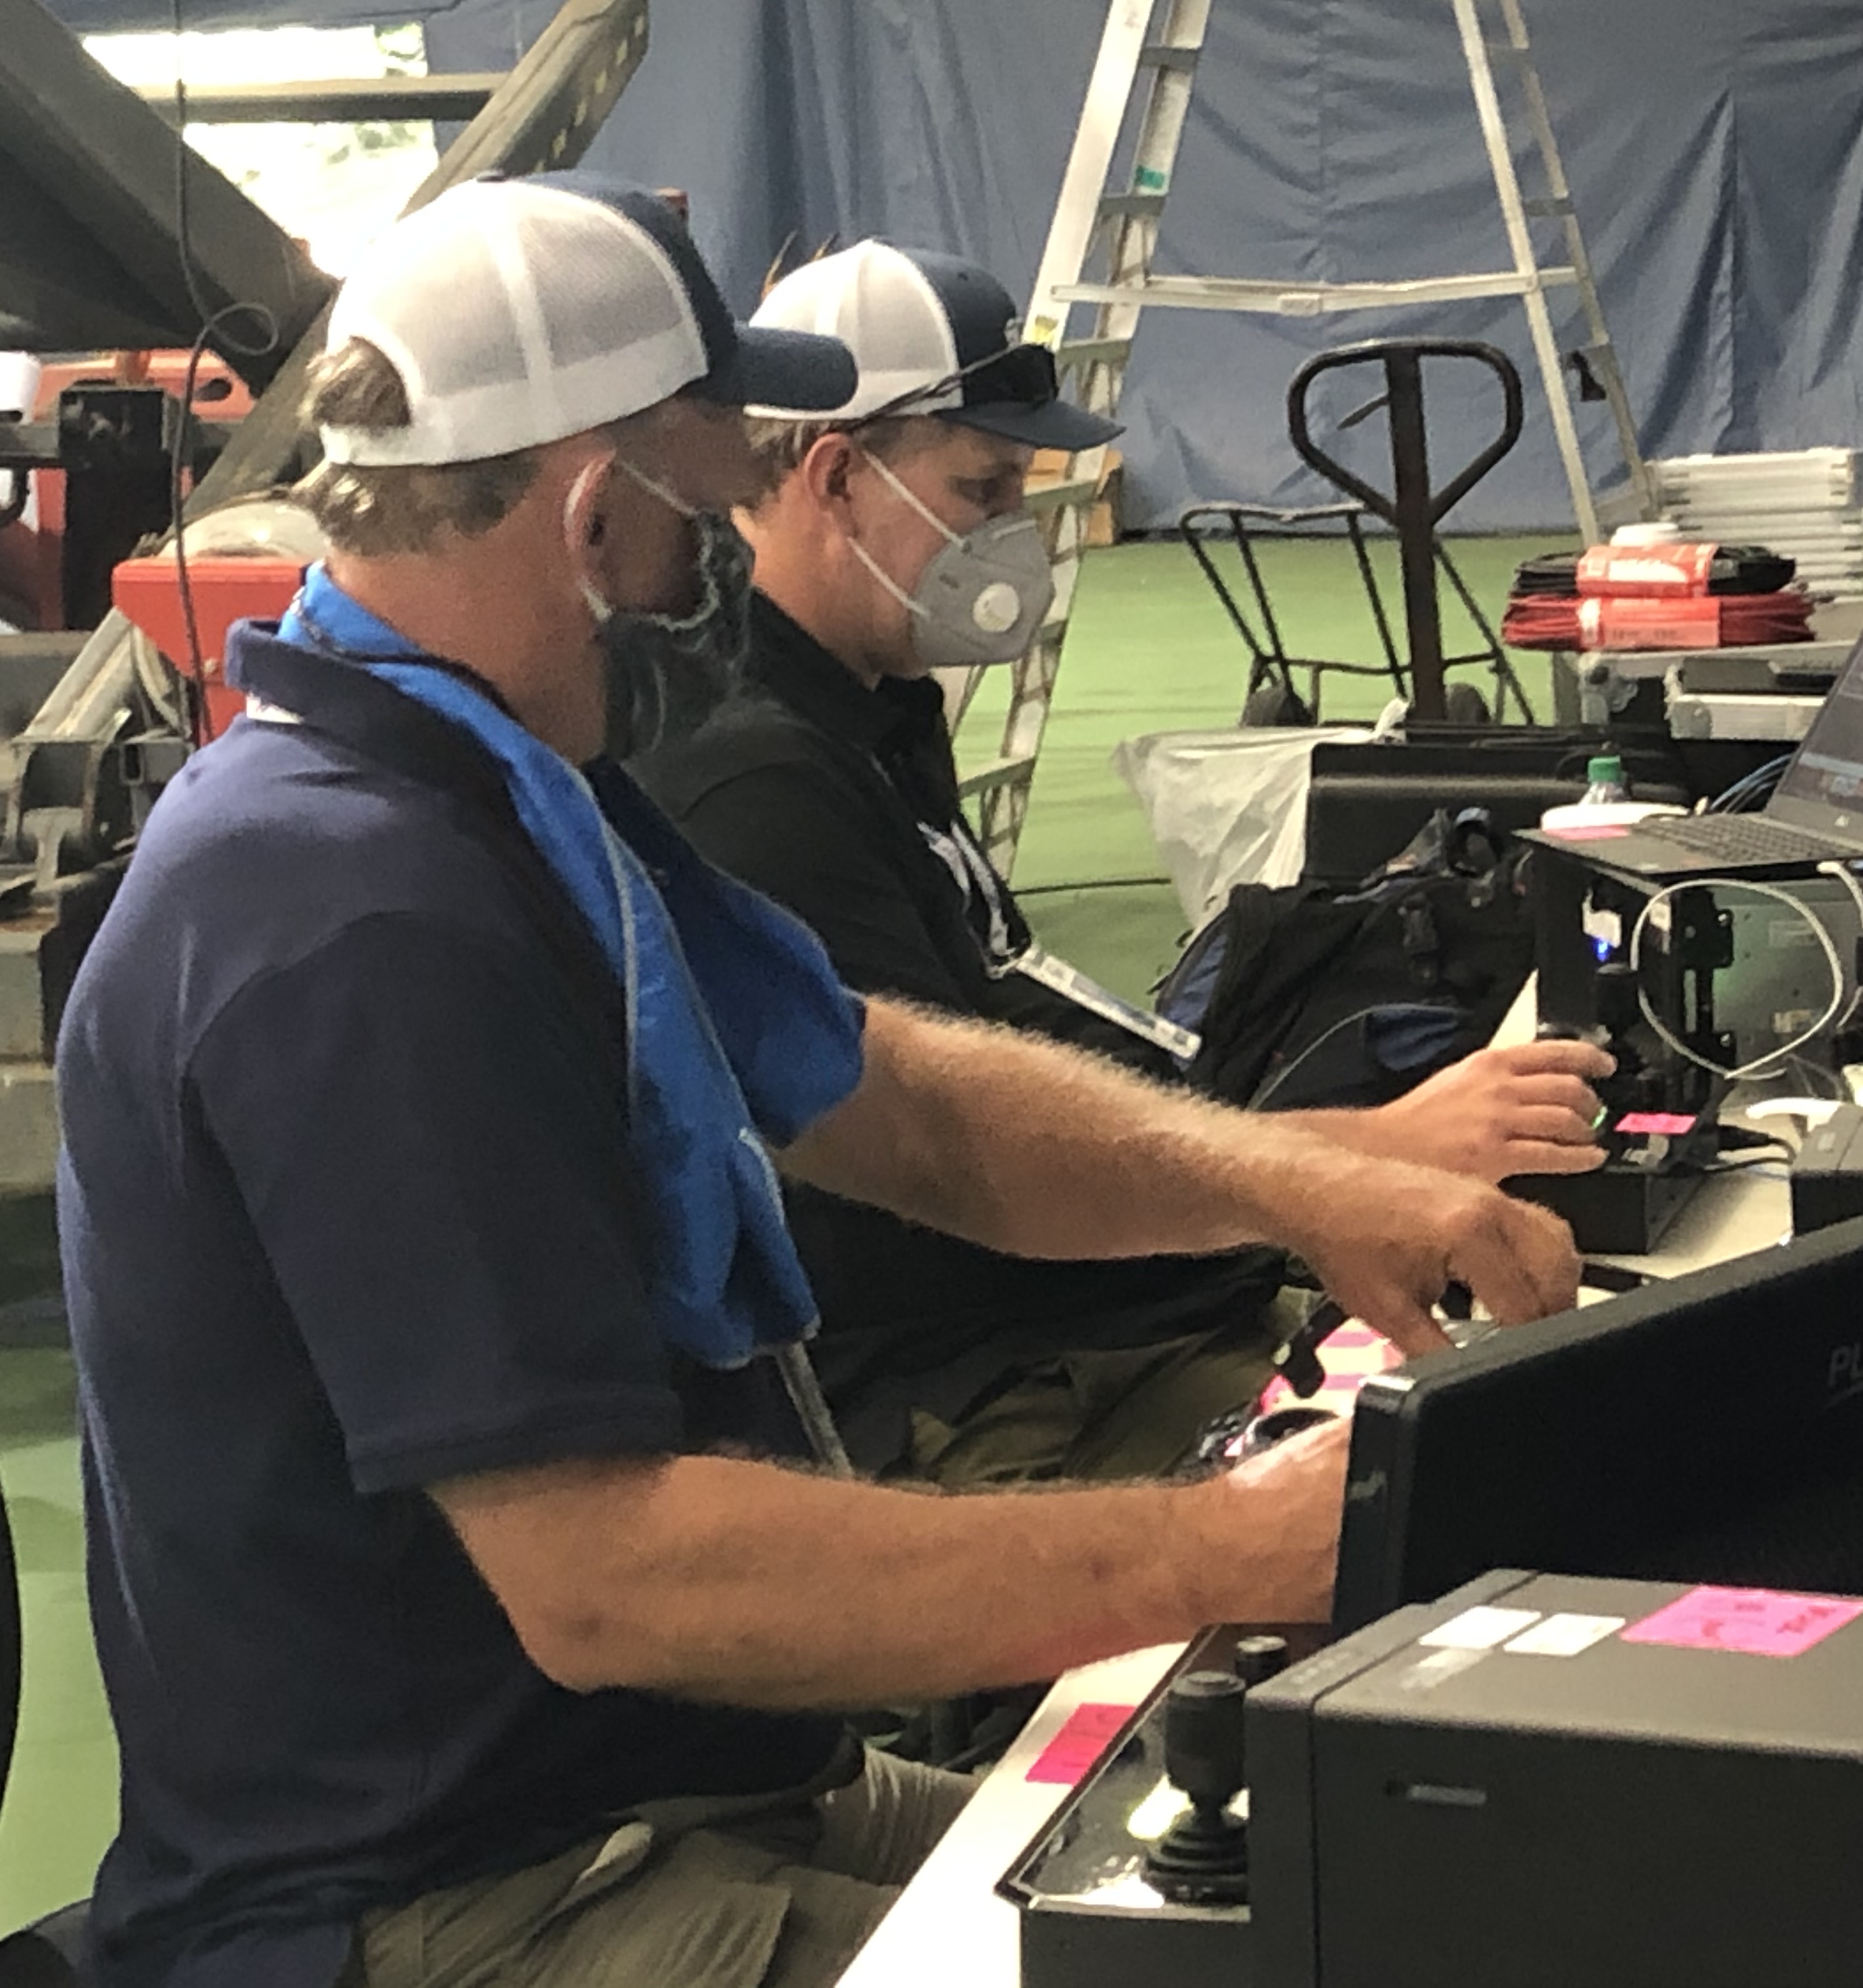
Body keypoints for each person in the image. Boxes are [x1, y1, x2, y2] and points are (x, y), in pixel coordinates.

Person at [58, 174, 1582, 1988]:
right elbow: (613, 1578)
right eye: (711, 517)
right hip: (463, 1903)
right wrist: (1220, 1550)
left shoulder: (500, 796)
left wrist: (1301, 1185)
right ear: (592, 512)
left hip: (683, 1793)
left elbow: (906, 1104)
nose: (720, 578)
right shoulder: (350, 917)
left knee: (1364, 1916)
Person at [633, 241, 1615, 1481]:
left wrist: (1320, 1164)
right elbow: (950, 1180)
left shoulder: (862, 706)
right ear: (835, 475)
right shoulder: (759, 781)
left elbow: (999, 1043)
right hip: (967, 1394)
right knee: (1480, 1477)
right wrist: (1351, 1161)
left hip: (1072, 1327)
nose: (1015, 537)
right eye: (985, 492)